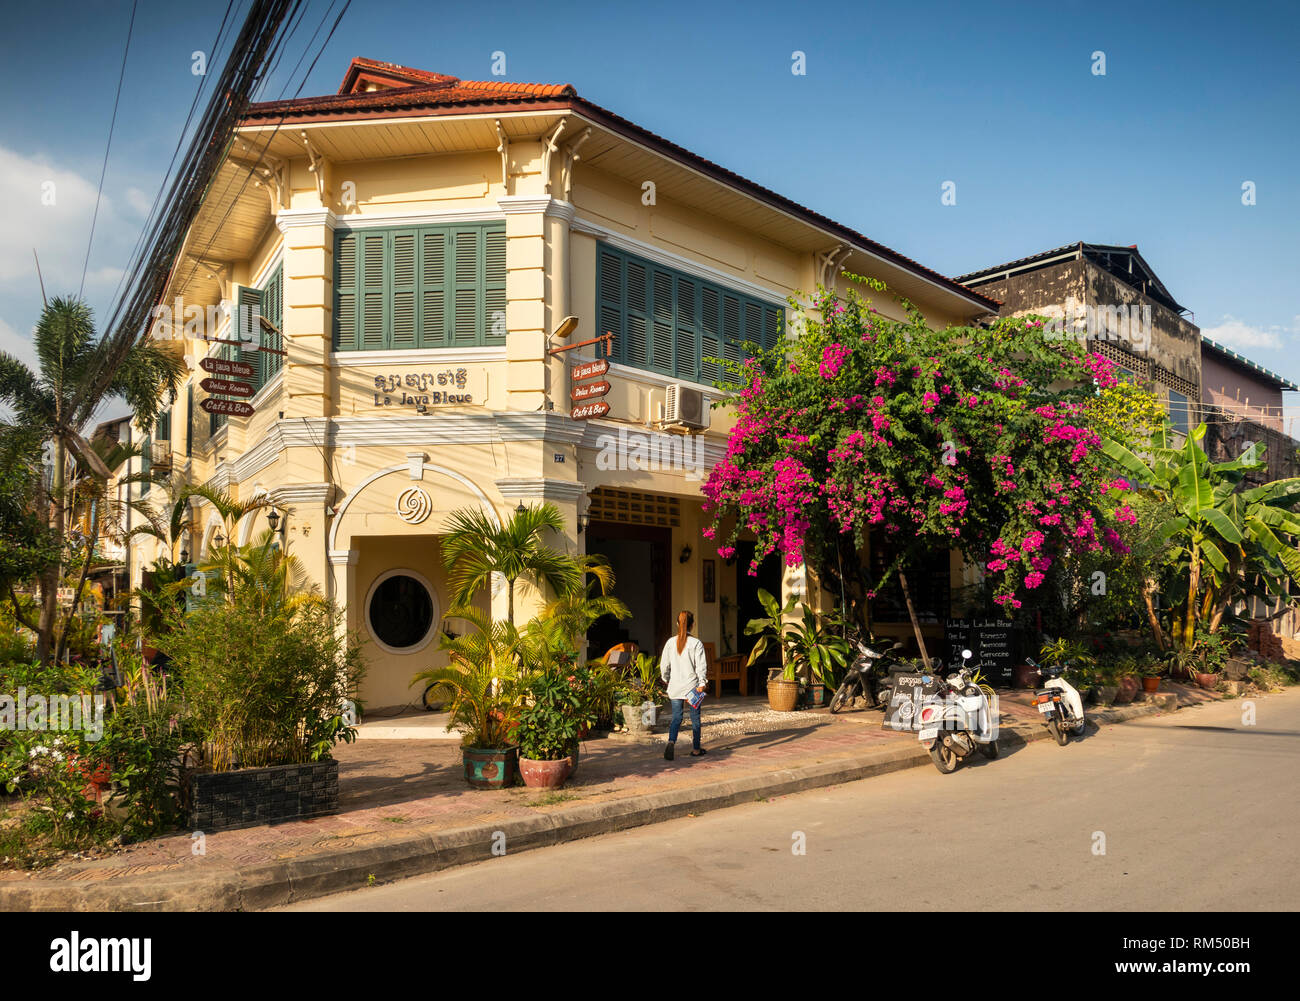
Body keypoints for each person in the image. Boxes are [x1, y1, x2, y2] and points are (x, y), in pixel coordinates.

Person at [659, 610, 708, 760]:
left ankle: (671, 741)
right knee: (695, 718)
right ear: (692, 625)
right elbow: (701, 666)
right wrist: (702, 683)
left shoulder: (669, 643)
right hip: (692, 687)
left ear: (677, 624)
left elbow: (664, 665)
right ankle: (696, 749)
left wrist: (666, 678)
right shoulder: (696, 643)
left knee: (676, 717)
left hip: (675, 686)